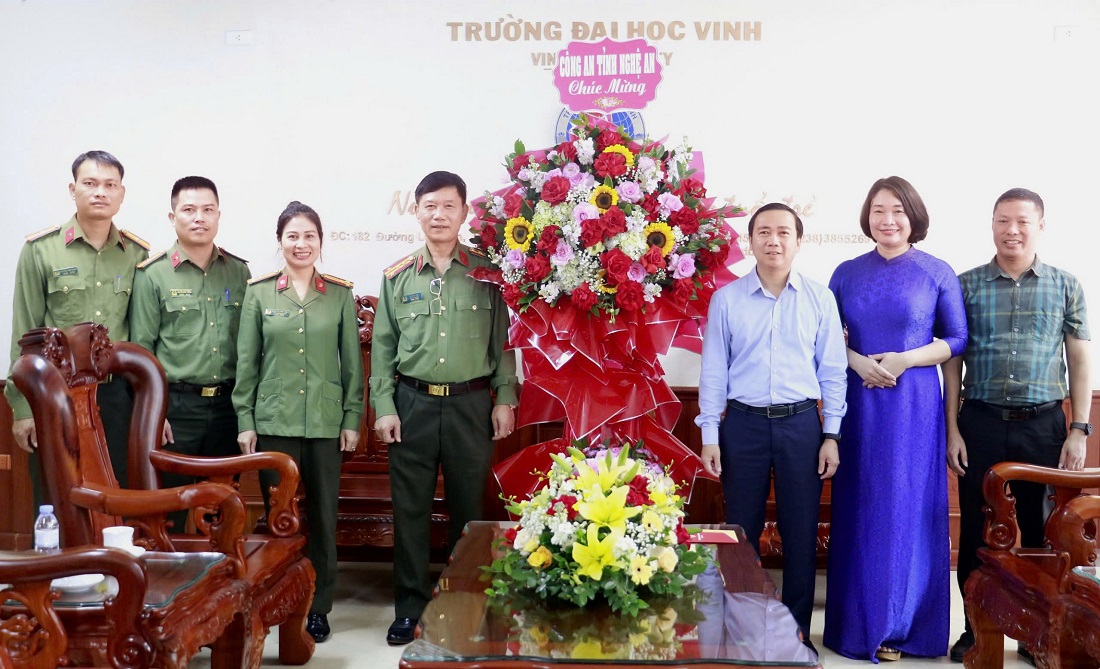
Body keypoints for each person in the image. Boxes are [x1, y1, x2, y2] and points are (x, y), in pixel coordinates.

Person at [822, 176, 967, 662]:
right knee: (862, 505)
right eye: (879, 210)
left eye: (898, 211)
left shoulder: (936, 271)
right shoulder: (844, 273)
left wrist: (906, 359)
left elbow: (958, 339)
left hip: (915, 407)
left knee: (905, 508)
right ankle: (858, 624)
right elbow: (826, 340)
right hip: (859, 404)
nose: (888, 220)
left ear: (914, 217)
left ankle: (904, 628)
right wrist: (858, 361)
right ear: (867, 216)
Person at [370, 170, 518, 646]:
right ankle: (409, 609)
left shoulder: (486, 273)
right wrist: (384, 407)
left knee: (468, 512)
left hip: (471, 405)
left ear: (464, 212)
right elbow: (383, 348)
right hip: (411, 403)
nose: (439, 214)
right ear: (416, 211)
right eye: (429, 205)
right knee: (409, 510)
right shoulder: (396, 277)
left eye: (448, 206)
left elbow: (504, 343)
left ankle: (466, 604)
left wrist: (506, 398)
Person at [945, 188, 1091, 662]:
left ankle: (1034, 634)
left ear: (1040, 226)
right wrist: (952, 428)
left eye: (1022, 222)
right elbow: (953, 362)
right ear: (991, 224)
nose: (1012, 230)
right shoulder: (966, 285)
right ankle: (974, 631)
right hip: (980, 421)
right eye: (1003, 221)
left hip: (1043, 424)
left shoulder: (1065, 284)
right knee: (976, 529)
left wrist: (1079, 428)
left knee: (1038, 530)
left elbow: (1079, 358)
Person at [696, 202, 848, 649]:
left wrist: (831, 435)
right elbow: (713, 372)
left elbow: (833, 372)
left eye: (784, 232)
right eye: (763, 232)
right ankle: (742, 628)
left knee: (799, 531)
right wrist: (709, 435)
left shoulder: (821, 298)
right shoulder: (726, 299)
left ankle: (794, 633)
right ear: (750, 241)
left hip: (801, 424)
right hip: (741, 426)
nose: (773, 240)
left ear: (799, 241)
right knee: (740, 533)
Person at [232, 201, 363, 644]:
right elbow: (246, 363)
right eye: (293, 236)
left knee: (325, 518)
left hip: (326, 422)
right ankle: (278, 600)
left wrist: (351, 418)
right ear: (280, 242)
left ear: (320, 242)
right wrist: (246, 419)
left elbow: (352, 367)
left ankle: (318, 606)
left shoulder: (340, 295)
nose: (301, 243)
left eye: (309, 236)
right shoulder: (260, 293)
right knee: (279, 519)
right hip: (274, 421)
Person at [5, 150, 148, 497]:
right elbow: (24, 333)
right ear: (73, 189)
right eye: (90, 183)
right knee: (55, 493)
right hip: (56, 393)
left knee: (118, 497)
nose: (100, 192)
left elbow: (144, 337)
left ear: (121, 193)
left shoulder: (138, 255)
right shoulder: (41, 250)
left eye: (109, 184)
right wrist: (23, 407)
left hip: (116, 396)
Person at [130, 176, 251, 532]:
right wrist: (157, 412)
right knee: (169, 508)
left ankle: (222, 585)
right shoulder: (153, 275)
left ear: (218, 215)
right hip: (176, 411)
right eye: (189, 210)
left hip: (228, 406)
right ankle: (169, 585)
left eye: (207, 210)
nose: (199, 217)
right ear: (172, 217)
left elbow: (248, 346)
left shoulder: (238, 271)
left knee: (221, 511)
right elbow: (141, 352)